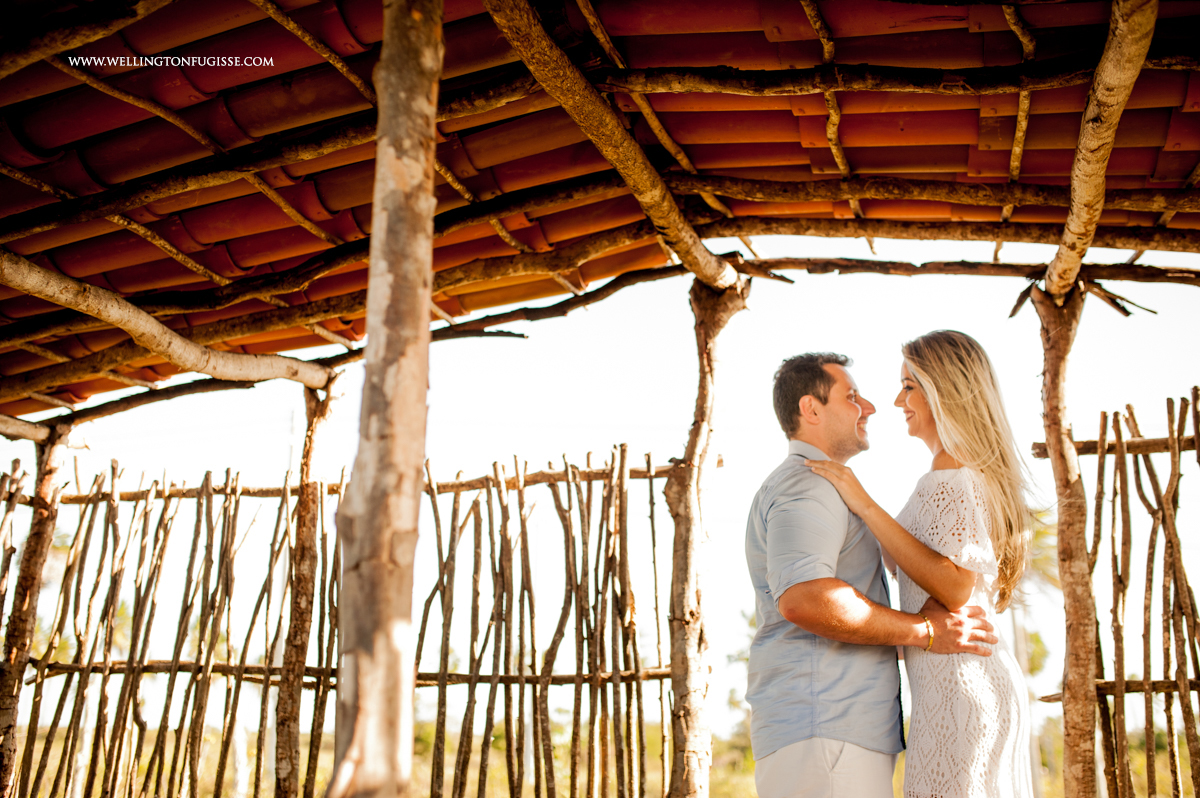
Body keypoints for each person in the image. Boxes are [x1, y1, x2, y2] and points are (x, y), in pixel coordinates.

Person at [745, 352, 998, 798]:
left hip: (836, 731)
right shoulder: (808, 486)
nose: (872, 407)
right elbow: (806, 600)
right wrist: (923, 630)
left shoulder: (822, 485)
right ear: (811, 409)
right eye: (853, 396)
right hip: (825, 730)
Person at [806, 331, 1033, 798]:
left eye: (909, 385)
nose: (896, 400)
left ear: (943, 389)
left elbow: (954, 588)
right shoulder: (960, 470)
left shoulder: (951, 471)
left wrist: (864, 503)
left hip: (959, 687)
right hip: (958, 683)